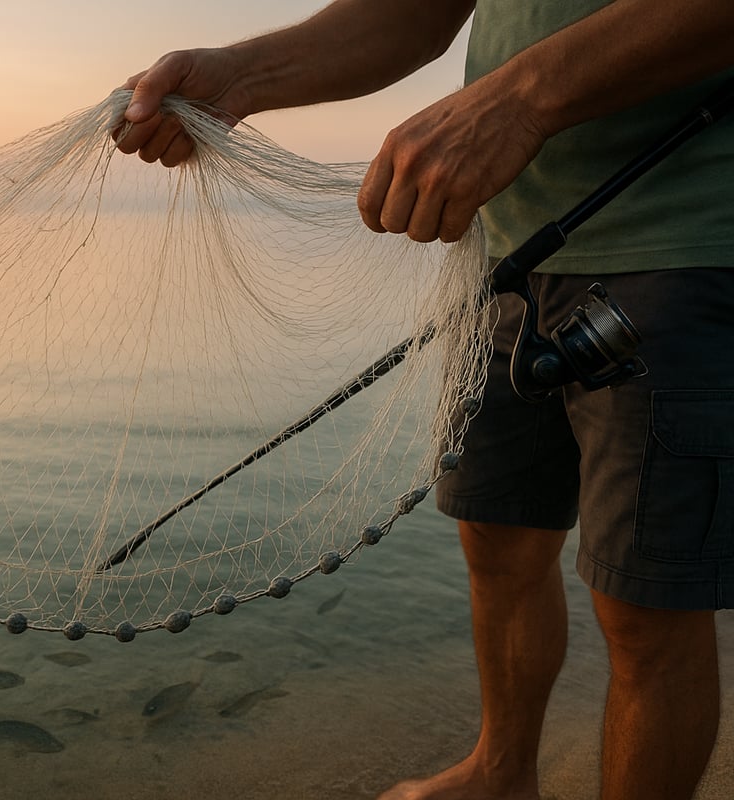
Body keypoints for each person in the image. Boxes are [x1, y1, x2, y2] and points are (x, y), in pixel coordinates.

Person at [115, 2, 734, 799]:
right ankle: (501, 775)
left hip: (682, 247)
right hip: (506, 252)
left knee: (645, 608)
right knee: (497, 540)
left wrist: (519, 99)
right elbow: (416, 12)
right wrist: (240, 77)